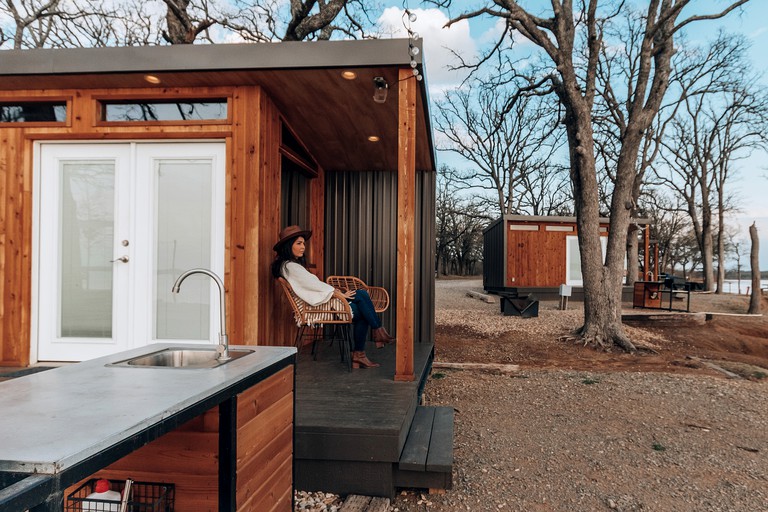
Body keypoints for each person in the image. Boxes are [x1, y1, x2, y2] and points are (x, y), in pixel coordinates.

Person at [272, 225, 395, 369]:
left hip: (322, 301)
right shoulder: (290, 267)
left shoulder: (289, 266)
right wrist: (338, 293)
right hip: (316, 307)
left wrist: (335, 292)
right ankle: (373, 338)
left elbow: (313, 285)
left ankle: (366, 348)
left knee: (362, 308)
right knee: (361, 297)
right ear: (288, 245)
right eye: (298, 243)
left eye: (303, 243)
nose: (303, 247)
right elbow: (313, 285)